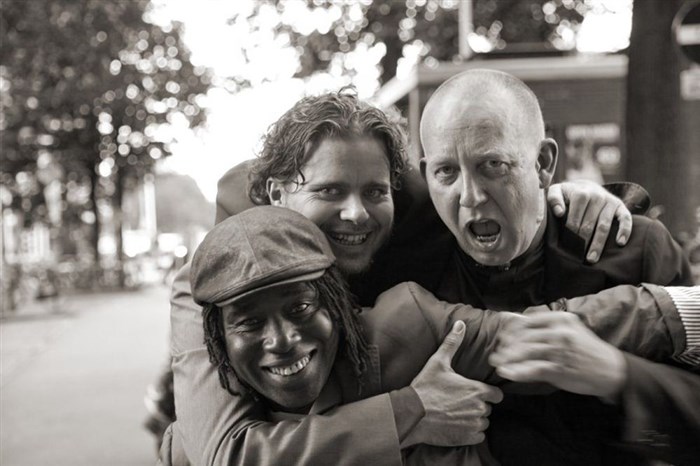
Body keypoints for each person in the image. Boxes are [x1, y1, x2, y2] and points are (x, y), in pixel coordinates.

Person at [164, 89, 691, 465]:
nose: (356, 215)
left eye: (375, 192)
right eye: (328, 192)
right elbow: (223, 451)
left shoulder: (414, 234)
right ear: (277, 194)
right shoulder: (214, 284)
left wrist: (569, 198)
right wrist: (413, 411)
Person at [160, 205, 695, 466]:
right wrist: (411, 410)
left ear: (336, 301)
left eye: (300, 307)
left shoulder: (409, 324)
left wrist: (685, 309)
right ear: (216, 341)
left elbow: (543, 331)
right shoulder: (194, 442)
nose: (281, 339)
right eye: (249, 322)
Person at [417, 68, 698, 465]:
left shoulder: (635, 248)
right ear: (425, 175)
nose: (470, 196)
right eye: (446, 171)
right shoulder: (415, 266)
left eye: (493, 164)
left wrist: (620, 375)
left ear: (543, 163)